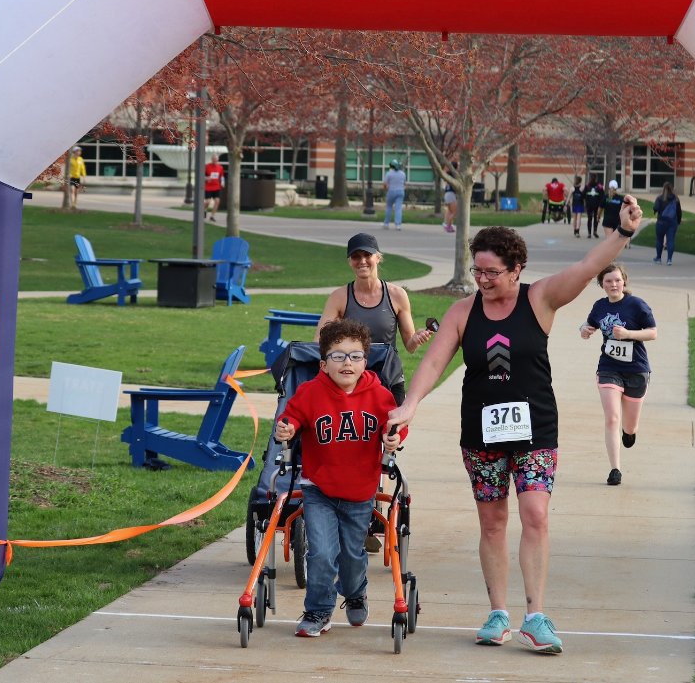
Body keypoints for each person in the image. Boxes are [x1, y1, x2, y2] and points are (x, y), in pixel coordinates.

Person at [387, 197, 643, 655]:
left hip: (536, 428)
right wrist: (410, 405)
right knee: (492, 521)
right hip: (481, 432)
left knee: (536, 516)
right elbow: (435, 361)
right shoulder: (464, 312)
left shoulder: (540, 298)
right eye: (477, 272)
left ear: (516, 269)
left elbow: (587, 267)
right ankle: (498, 613)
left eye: (492, 272)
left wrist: (621, 233)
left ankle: (536, 616)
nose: (482, 280)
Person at [274, 319, 404, 638]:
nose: (347, 362)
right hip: (318, 489)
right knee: (320, 553)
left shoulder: (380, 395)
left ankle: (355, 592)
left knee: (352, 556)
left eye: (356, 356)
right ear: (323, 363)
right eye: (338, 356)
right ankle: (318, 610)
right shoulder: (309, 393)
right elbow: (290, 418)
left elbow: (396, 426)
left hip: (360, 492)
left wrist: (394, 438)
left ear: (365, 361)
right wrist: (286, 429)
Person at [316, 233, 433, 406]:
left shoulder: (397, 295)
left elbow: (410, 346)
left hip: (388, 377)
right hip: (352, 378)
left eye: (367, 255)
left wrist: (416, 339)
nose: (362, 261)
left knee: (393, 431)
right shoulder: (339, 297)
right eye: (356, 256)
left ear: (378, 257)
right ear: (350, 262)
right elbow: (319, 340)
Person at [579, 264, 657, 487]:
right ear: (602, 285)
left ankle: (629, 432)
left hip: (636, 370)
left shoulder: (637, 305)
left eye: (617, 280)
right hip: (609, 367)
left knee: (629, 426)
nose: (613, 285)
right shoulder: (600, 306)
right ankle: (615, 469)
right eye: (608, 281)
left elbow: (653, 332)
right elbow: (589, 325)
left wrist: (628, 334)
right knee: (612, 417)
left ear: (624, 281)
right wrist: (583, 329)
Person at [652, 181, 682, 265]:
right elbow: (679, 212)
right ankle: (669, 259)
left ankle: (658, 258)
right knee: (670, 240)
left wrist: (655, 210)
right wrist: (678, 221)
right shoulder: (676, 199)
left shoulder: (660, 198)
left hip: (661, 221)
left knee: (659, 240)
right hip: (672, 222)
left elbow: (656, 208)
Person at [382, 159, 406, 230]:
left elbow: (385, 184)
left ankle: (386, 223)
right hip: (400, 191)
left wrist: (386, 189)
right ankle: (398, 225)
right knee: (398, 208)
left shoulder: (389, 173)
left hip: (391, 191)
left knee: (389, 207)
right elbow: (404, 184)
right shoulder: (402, 174)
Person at [204, 153, 224, 222]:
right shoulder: (207, 166)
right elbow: (202, 176)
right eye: (214, 159)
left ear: (218, 160)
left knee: (217, 201)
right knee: (207, 201)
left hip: (216, 187)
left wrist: (223, 183)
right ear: (212, 159)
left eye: (216, 160)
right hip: (208, 187)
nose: (215, 161)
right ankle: (204, 210)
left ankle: (212, 216)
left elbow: (221, 177)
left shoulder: (220, 167)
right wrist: (206, 178)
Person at [443, 167, 458, 233]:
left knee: (450, 211)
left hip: (447, 194)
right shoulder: (453, 178)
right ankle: (448, 226)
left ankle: (449, 225)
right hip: (451, 194)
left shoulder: (448, 178)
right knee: (454, 212)